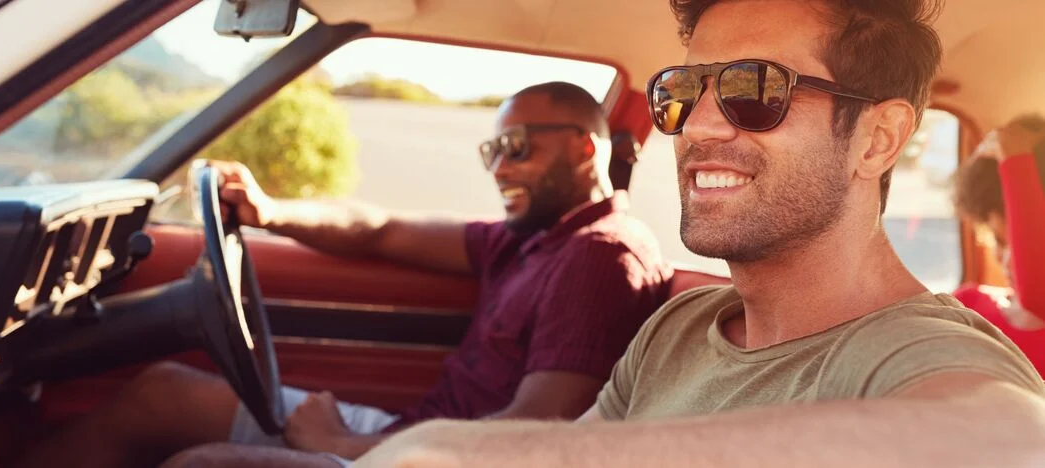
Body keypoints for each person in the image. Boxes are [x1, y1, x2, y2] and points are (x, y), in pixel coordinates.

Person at [346, 1, 1045, 466]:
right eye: (682, 92)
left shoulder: (913, 352)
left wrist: (456, 454)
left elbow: (1014, 441)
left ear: (877, 139)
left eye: (755, 89)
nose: (700, 126)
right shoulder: (680, 326)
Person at [15, 81, 673, 468]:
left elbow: (538, 434)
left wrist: (348, 444)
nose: (498, 168)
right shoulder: (526, 239)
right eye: (491, 150)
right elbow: (382, 229)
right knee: (164, 391)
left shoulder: (599, 257)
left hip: (431, 456)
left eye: (516, 148)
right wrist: (271, 212)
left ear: (585, 147)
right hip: (413, 431)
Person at [952, 114, 1045, 372]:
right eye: (999, 240)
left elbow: (1037, 292)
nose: (1008, 260)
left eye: (1023, 237)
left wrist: (1015, 158)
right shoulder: (967, 304)